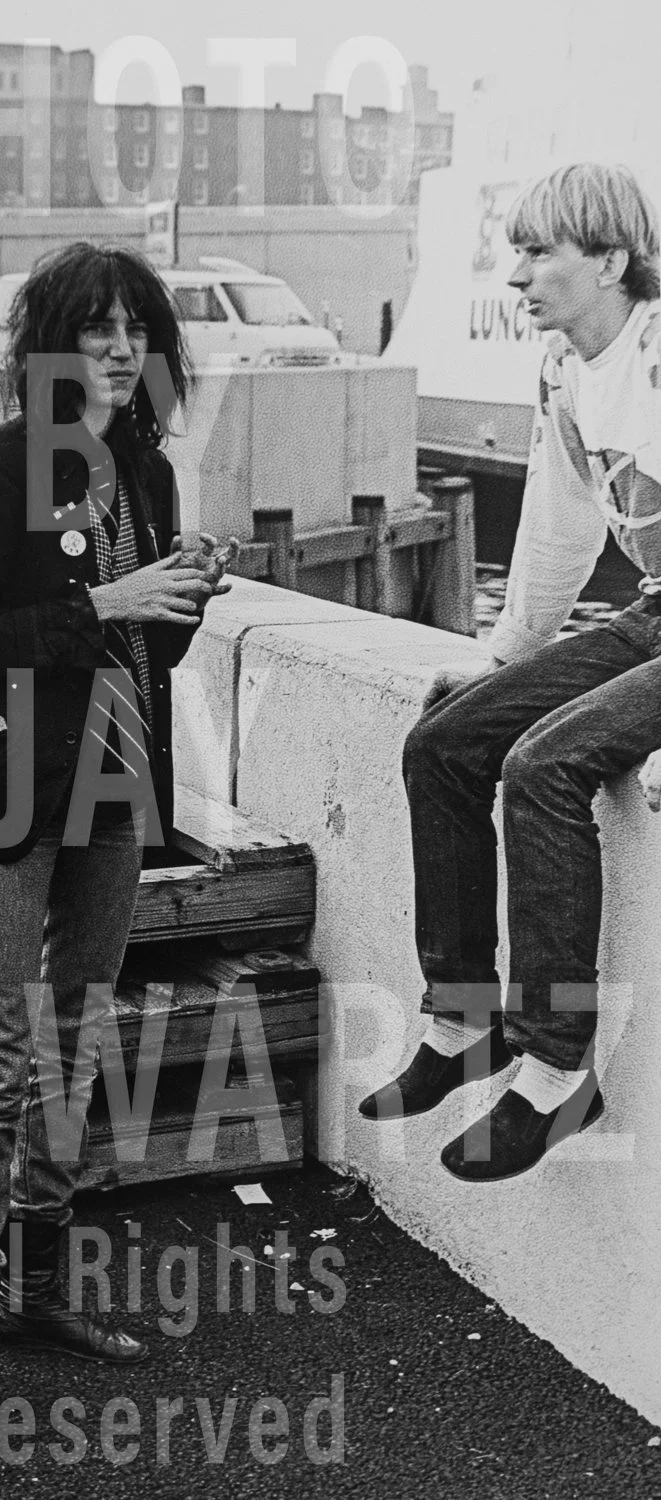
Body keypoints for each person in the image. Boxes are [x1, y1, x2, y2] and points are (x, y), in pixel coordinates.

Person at [0, 241, 228, 1474]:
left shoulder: (143, 469)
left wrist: (185, 596)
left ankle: (38, 1289)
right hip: (6, 783)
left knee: (75, 1037)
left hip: (111, 776)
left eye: (134, 327)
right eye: (93, 326)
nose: (116, 345)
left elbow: (154, 656)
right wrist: (113, 601)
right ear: (49, 344)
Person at [359, 163, 661, 1181]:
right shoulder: (567, 371)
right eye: (517, 250)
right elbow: (560, 530)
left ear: (611, 260)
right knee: (446, 743)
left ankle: (557, 1068)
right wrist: (498, 662)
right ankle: (461, 1020)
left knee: (546, 766)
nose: (517, 272)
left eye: (540, 252)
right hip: (655, 615)